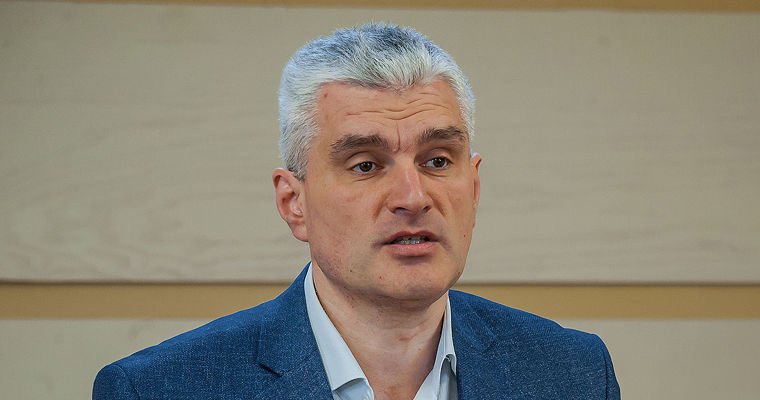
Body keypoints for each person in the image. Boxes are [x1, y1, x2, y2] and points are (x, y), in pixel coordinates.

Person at [93, 23, 620, 400]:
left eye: (438, 160)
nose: (413, 197)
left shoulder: (572, 375)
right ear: (293, 203)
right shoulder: (158, 389)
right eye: (366, 165)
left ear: (475, 188)